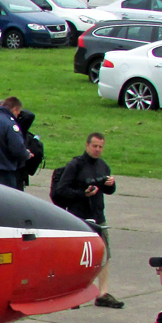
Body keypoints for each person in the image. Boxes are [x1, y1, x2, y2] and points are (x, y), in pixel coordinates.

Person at [52, 132, 122, 308]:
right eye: (95, 146)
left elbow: (109, 191)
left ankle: (103, 293)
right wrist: (82, 194)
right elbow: (61, 190)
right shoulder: (76, 165)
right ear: (87, 145)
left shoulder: (103, 166)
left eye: (100, 147)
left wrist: (111, 185)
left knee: (105, 254)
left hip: (98, 216)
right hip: (79, 217)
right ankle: (70, 292)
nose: (97, 150)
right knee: (75, 256)